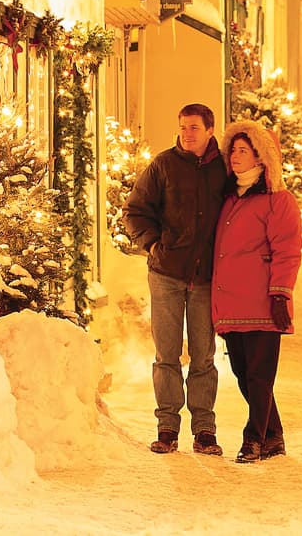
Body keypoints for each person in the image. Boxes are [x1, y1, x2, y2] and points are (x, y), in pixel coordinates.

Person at [123, 103, 230, 456]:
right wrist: (153, 245)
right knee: (165, 354)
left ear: (210, 130)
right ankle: (167, 426)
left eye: (194, 128)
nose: (187, 133)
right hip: (167, 273)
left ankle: (204, 429)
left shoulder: (222, 169)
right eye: (183, 127)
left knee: (203, 355)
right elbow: (135, 210)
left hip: (204, 277)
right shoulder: (163, 165)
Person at [212, 119, 302, 463]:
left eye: (243, 151)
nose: (235, 156)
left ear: (260, 158)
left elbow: (287, 250)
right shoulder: (229, 198)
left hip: (262, 302)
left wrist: (280, 293)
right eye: (232, 150)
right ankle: (274, 435)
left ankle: (253, 439)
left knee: (260, 375)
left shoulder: (278, 201)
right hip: (231, 301)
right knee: (242, 374)